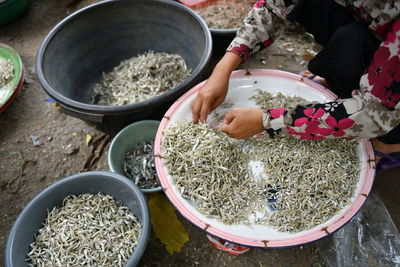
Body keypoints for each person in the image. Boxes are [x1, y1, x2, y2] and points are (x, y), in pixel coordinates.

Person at [191, 0, 400, 175]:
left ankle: (389, 144)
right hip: (376, 32)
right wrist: (223, 68)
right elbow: (275, 5)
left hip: (391, 85)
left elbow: (373, 114)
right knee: (326, 13)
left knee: (378, 126)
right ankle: (341, 82)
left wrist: (267, 120)